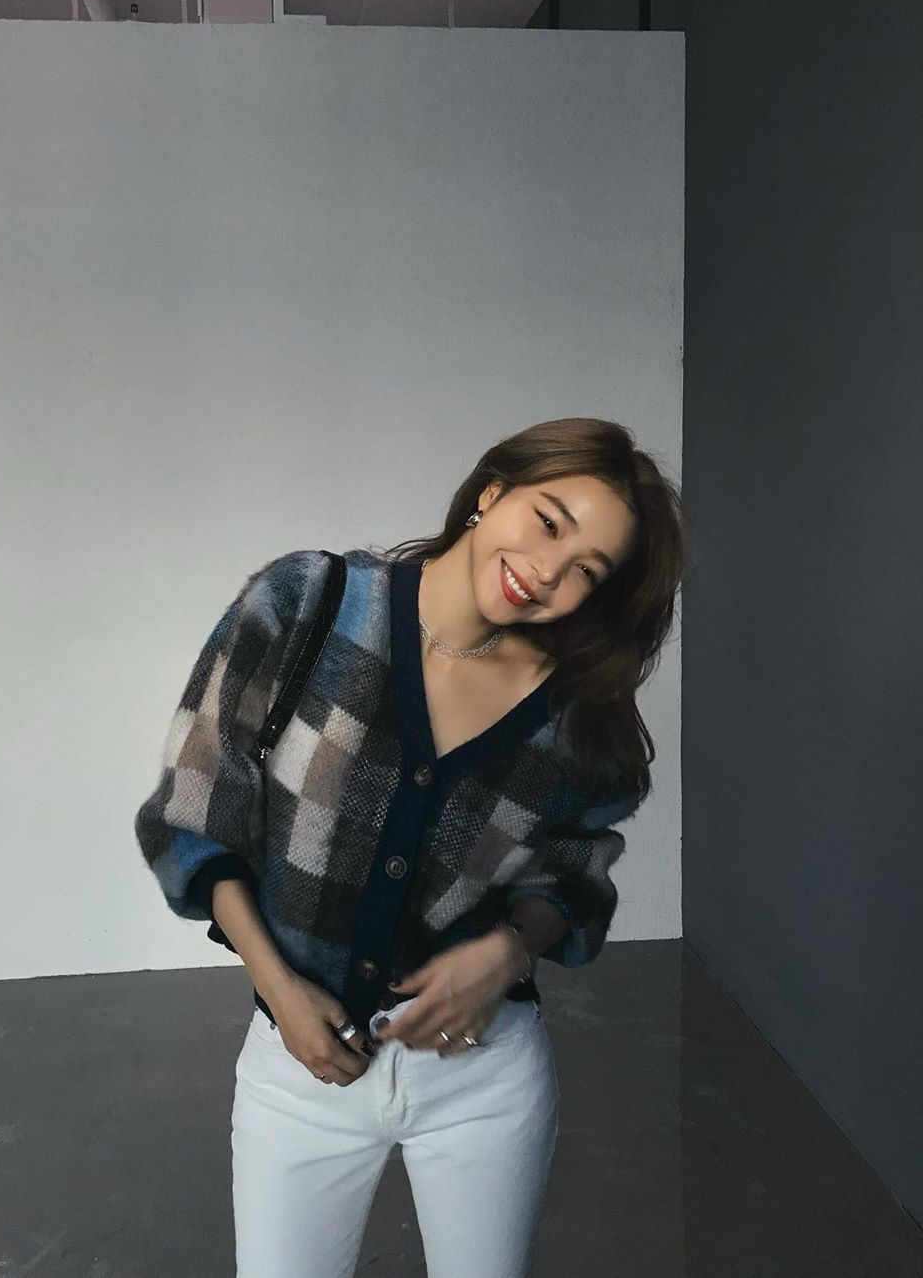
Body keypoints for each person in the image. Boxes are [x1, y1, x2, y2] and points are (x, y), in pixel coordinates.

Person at [134, 416, 693, 1278]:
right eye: (548, 522)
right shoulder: (308, 605)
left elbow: (577, 867)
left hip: (484, 1079)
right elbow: (195, 806)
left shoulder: (574, 713)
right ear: (492, 491)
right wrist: (279, 989)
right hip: (298, 1071)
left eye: (588, 570)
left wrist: (509, 951)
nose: (549, 571)